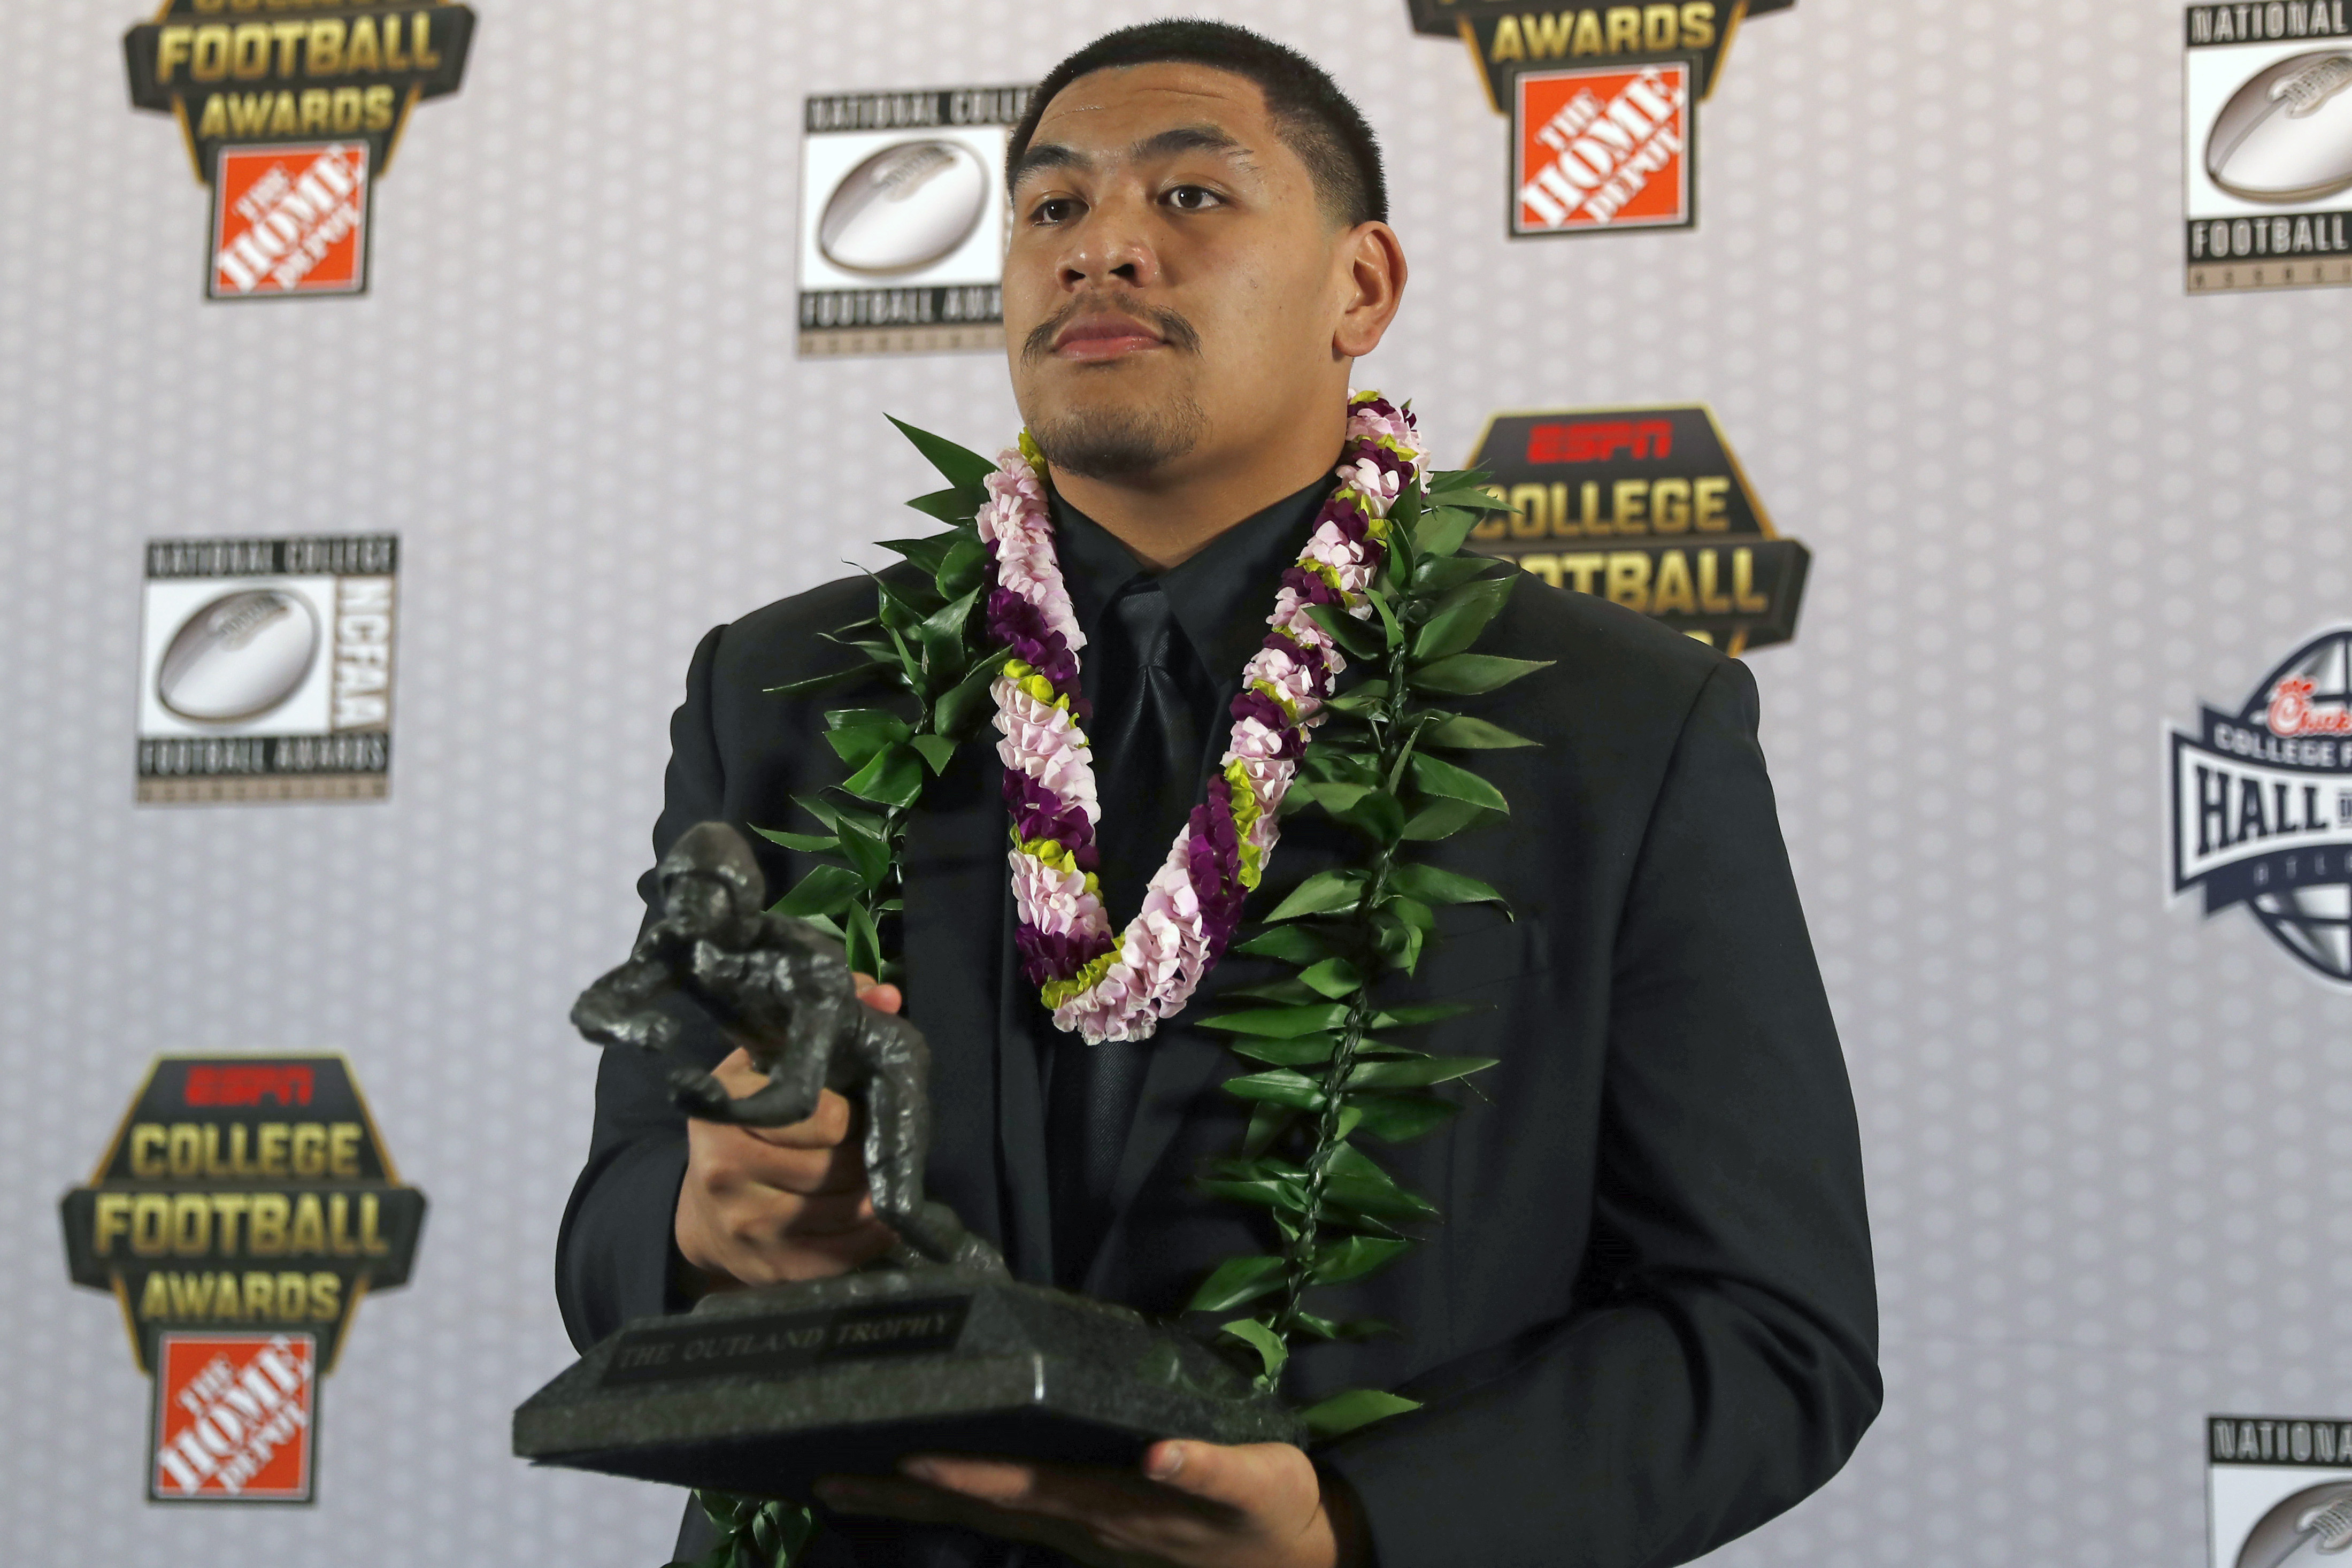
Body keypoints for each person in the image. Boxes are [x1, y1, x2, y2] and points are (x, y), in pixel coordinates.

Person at [556, 20, 1879, 1568]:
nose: (1100, 247)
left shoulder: (1614, 722)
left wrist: (1351, 1534)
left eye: (1190, 196)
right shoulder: (784, 687)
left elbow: (1766, 1330)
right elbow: (619, 1223)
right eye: (1052, 208)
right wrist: (704, 1227)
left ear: (1360, 288)